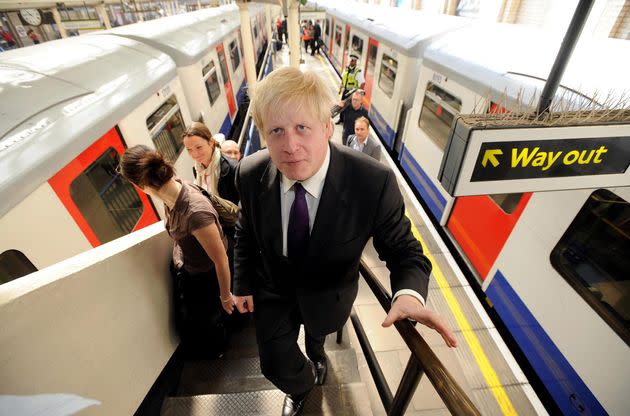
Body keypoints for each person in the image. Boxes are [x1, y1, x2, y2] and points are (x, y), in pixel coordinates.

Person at [233, 67, 457, 416]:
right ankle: (304, 386)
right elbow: (246, 228)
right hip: (273, 292)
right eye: (276, 131)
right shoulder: (249, 172)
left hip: (328, 296)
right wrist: (242, 281)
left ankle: (318, 354)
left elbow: (405, 251)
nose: (290, 146)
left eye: (302, 128)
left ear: (326, 127)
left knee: (317, 339)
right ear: (263, 133)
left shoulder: (372, 181)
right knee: (273, 363)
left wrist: (409, 293)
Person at [118, 145, 234, 315]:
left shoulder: (195, 213)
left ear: (140, 185)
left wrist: (225, 297)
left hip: (209, 278)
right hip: (194, 271)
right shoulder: (172, 194)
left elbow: (221, 260)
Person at [182, 122, 239, 205]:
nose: (194, 154)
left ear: (211, 142)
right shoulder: (197, 170)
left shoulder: (231, 168)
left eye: (199, 147)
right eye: (189, 149)